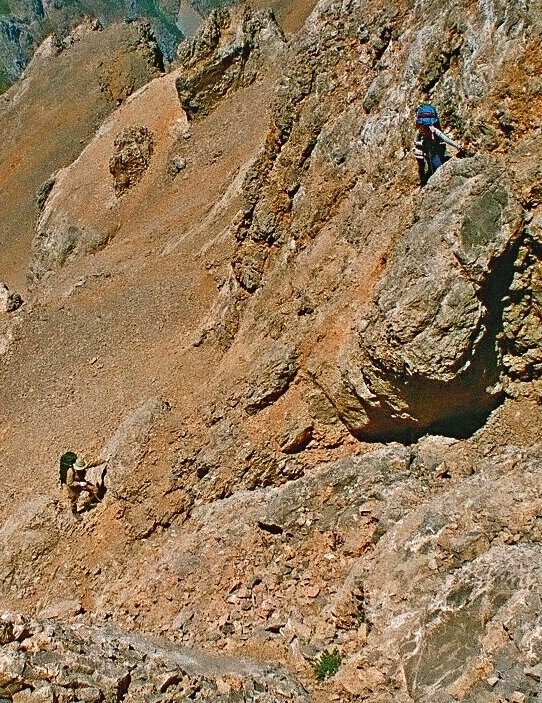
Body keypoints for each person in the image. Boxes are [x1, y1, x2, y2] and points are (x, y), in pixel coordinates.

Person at [413, 104, 465, 186]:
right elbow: (416, 142)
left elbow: (445, 138)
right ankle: (423, 180)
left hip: (435, 152)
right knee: (423, 166)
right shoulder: (420, 133)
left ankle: (436, 180)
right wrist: (419, 145)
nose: (423, 128)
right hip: (425, 152)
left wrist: (457, 146)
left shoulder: (433, 131)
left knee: (437, 167)